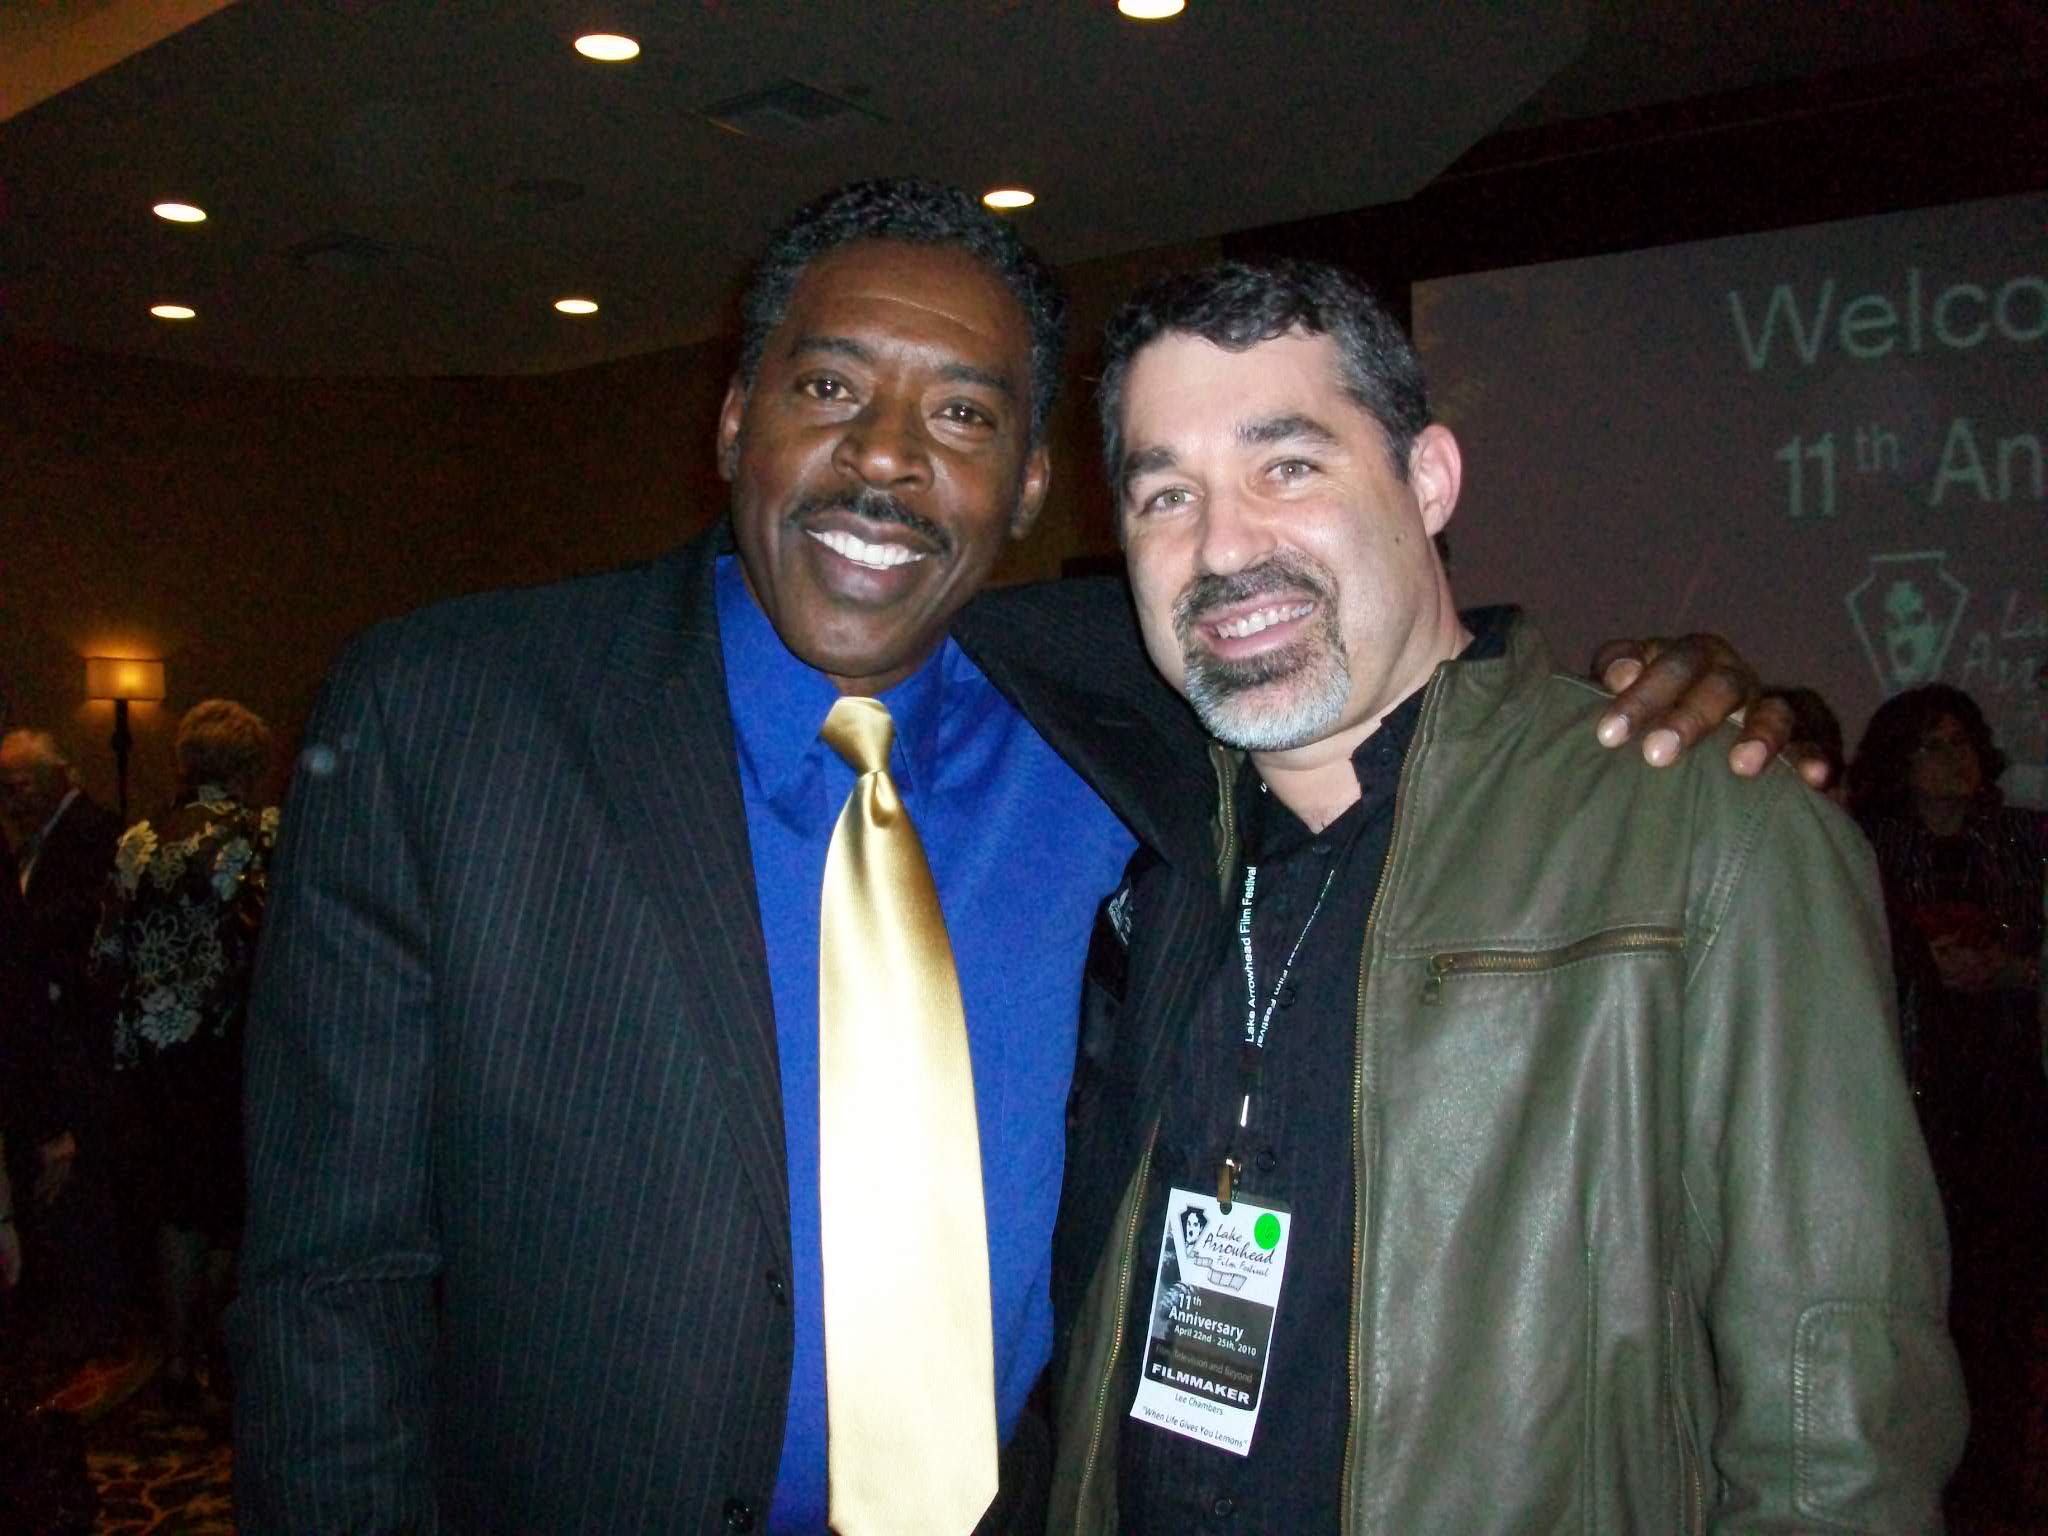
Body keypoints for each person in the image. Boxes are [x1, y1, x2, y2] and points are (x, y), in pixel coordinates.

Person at [232, 181, 1792, 1535]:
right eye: (831, 388)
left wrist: (1610, 700)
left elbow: (1362, 660)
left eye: (964, 414)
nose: (888, 461)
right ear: (730, 417)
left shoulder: (1116, 702)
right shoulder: (452, 716)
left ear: (1035, 488)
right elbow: (330, 1285)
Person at [1048, 259, 1964, 1533]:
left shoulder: (1712, 830)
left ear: (1427, 480)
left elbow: (1835, 1425)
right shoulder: (1133, 847)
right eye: (1164, 495)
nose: (1221, 545)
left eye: (1287, 465)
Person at [1849, 683, 2047, 1524]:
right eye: (1932, 743)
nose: (1954, 756)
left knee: (2005, 1307)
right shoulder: (1868, 846)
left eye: (1963, 740)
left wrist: (2013, 971)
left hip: (2013, 1092)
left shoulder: (2026, 842)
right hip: (1911, 1099)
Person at [90, 699, 278, 1413]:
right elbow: (280, 951)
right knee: (231, 1200)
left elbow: (104, 957)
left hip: (153, 1054)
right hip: (233, 1048)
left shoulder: (139, 838)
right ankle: (217, 1353)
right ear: (251, 767)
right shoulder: (263, 834)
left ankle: (175, 1358)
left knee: (175, 1205)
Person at [0, 728, 125, 1353]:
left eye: (18, 785)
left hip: (70, 1024)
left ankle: (88, 1321)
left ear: (56, 776)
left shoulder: (91, 829)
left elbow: (76, 924)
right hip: (46, 1024)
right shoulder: (41, 836)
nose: (11, 797)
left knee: (74, 1179)